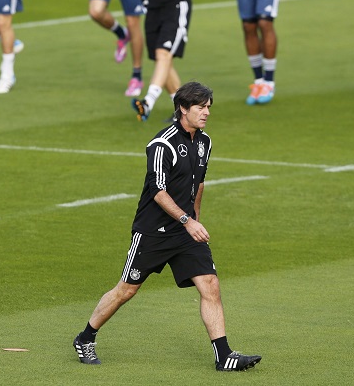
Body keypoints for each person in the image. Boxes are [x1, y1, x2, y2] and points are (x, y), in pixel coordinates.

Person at [72, 81, 261, 372]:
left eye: (208, 107)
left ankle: (223, 356)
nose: (206, 112)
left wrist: (194, 218)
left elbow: (198, 183)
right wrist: (186, 221)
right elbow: (158, 192)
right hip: (153, 232)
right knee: (127, 290)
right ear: (183, 109)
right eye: (200, 107)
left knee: (210, 284)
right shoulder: (162, 145)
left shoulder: (204, 142)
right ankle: (85, 337)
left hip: (185, 230)